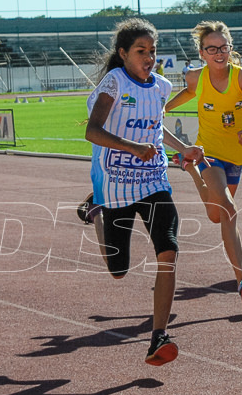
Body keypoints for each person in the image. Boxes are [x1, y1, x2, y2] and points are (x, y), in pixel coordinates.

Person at [81, 19, 205, 365]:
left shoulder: (162, 87)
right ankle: (96, 212)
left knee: (169, 249)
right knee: (118, 269)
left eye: (152, 51)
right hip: (116, 183)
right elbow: (93, 131)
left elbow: (156, 126)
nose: (149, 57)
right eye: (141, 51)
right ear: (123, 54)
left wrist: (183, 150)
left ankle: (158, 336)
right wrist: (133, 147)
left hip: (153, 181)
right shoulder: (114, 83)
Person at [165, 21, 242, 303]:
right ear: (202, 52)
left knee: (216, 215)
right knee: (229, 208)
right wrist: (158, 109)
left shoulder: (241, 77)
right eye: (211, 48)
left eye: (223, 47)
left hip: (236, 158)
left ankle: (190, 171)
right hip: (209, 154)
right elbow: (170, 103)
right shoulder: (196, 78)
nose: (219, 53)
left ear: (230, 48)